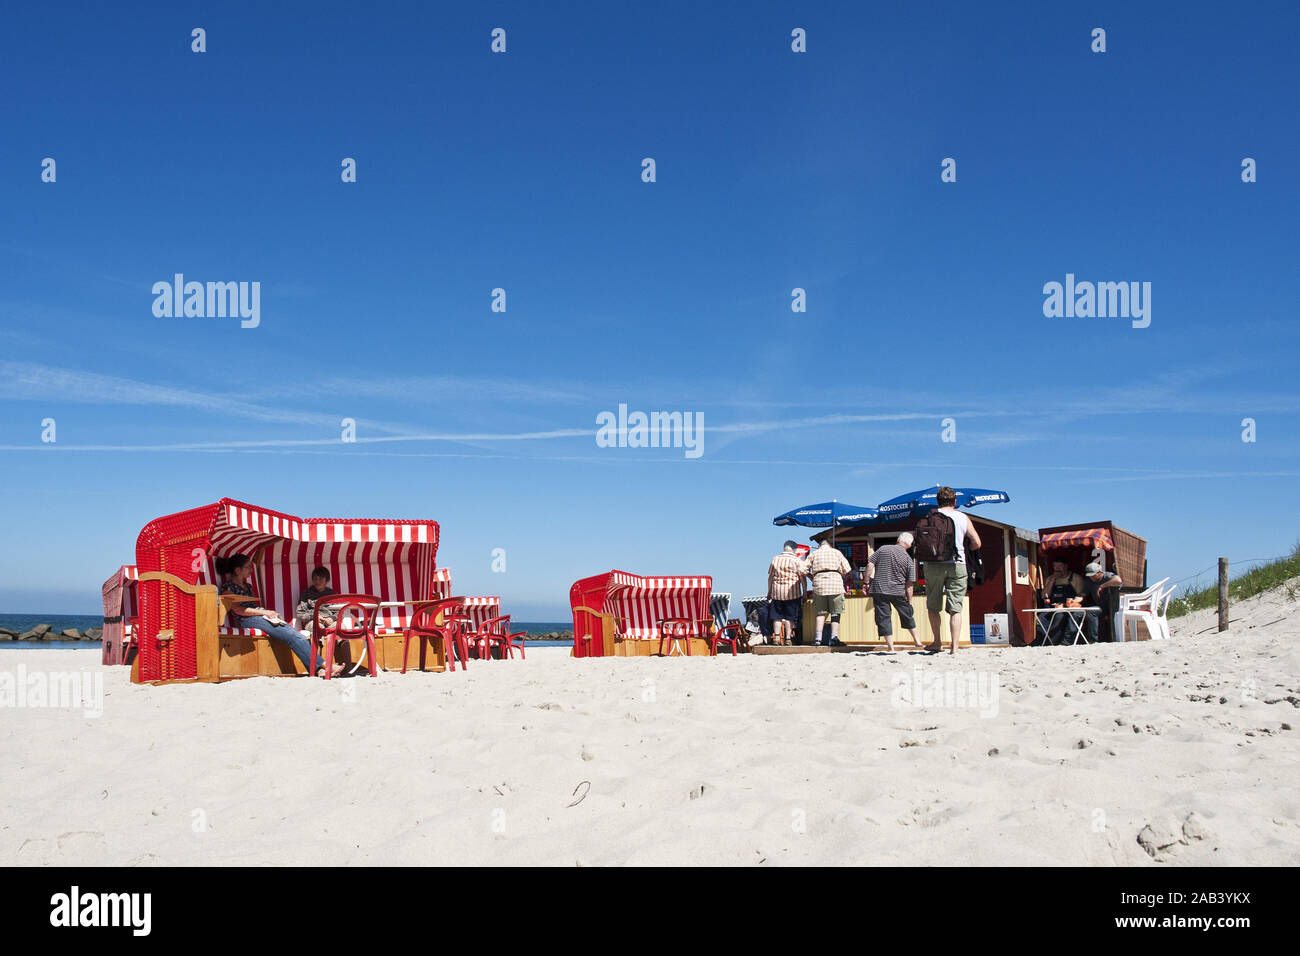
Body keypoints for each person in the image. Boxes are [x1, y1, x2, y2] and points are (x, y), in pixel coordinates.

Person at [218, 554, 342, 677]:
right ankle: (327, 666)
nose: (250, 570)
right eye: (247, 567)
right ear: (238, 570)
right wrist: (265, 612)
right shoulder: (228, 587)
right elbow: (238, 610)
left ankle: (317, 670)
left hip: (260, 616)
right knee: (295, 637)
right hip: (247, 620)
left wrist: (268, 613)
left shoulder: (248, 586)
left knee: (296, 636)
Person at [922, 486, 981, 655]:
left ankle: (937, 642)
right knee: (955, 607)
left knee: (933, 606)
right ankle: (954, 647)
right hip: (957, 564)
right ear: (955, 501)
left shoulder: (930, 517)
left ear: (938, 501)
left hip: (933, 565)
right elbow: (977, 542)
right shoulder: (962, 517)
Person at [868, 532, 922, 651]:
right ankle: (917, 641)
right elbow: (909, 584)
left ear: (898, 539)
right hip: (898, 591)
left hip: (879, 589)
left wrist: (866, 582)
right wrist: (910, 601)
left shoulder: (883, 549)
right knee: (907, 615)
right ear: (910, 545)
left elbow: (870, 563)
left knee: (884, 618)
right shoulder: (909, 560)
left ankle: (891, 647)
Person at [802, 539, 851, 646]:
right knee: (835, 613)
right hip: (836, 585)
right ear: (830, 545)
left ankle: (818, 639)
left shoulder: (814, 554)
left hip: (819, 586)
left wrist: (812, 577)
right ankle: (834, 638)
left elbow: (802, 569)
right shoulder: (837, 552)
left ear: (819, 545)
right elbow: (848, 569)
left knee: (820, 613)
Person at [767, 540, 805, 646]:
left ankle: (777, 638)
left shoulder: (775, 559)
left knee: (777, 617)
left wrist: (769, 591)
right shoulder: (796, 560)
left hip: (777, 592)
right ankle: (788, 639)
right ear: (794, 549)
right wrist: (805, 592)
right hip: (792, 592)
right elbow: (802, 577)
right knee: (790, 617)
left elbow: (770, 577)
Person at [1040, 559, 1086, 645]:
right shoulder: (1050, 578)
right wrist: (1053, 579)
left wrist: (1071, 603)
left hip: (1069, 606)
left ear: (1065, 566)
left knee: (1059, 615)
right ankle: (1042, 640)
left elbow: (1081, 596)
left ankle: (1053, 642)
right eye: (1055, 566)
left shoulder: (1075, 578)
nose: (1057, 569)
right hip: (1053, 606)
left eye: (1059, 566)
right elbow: (1044, 596)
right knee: (1041, 618)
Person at [1082, 561, 1123, 642]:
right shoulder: (1088, 581)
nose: (1091, 577)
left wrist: (1102, 586)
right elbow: (1082, 595)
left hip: (1114, 607)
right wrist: (1074, 601)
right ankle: (1093, 640)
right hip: (1101, 607)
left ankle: (1093, 640)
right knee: (1089, 611)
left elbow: (1118, 580)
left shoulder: (1108, 576)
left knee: (1091, 611)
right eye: (1090, 576)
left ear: (1100, 572)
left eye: (1093, 575)